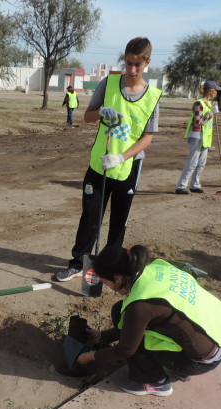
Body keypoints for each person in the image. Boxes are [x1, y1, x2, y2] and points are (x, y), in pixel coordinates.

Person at [55, 37, 162, 282]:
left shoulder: (153, 96)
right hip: (99, 165)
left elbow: (148, 138)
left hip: (127, 167)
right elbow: (87, 117)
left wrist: (121, 157)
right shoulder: (109, 83)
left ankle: (110, 269)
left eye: (138, 64)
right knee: (90, 217)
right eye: (128, 63)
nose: (132, 70)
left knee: (118, 223)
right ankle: (78, 263)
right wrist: (101, 112)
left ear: (147, 63)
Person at [75, 245, 221, 397]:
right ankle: (181, 368)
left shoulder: (140, 307)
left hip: (201, 360)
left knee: (135, 338)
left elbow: (125, 350)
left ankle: (153, 381)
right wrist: (103, 337)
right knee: (121, 310)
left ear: (117, 278)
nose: (107, 287)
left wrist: (91, 356)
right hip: (217, 336)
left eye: (105, 282)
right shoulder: (155, 268)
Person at [175, 80, 221, 195]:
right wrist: (211, 114)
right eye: (215, 90)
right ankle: (181, 186)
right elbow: (197, 122)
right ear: (210, 91)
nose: (217, 93)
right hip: (196, 136)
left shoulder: (209, 104)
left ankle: (195, 185)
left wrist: (209, 143)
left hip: (205, 138)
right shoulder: (198, 104)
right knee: (192, 162)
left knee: (201, 163)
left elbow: (208, 126)